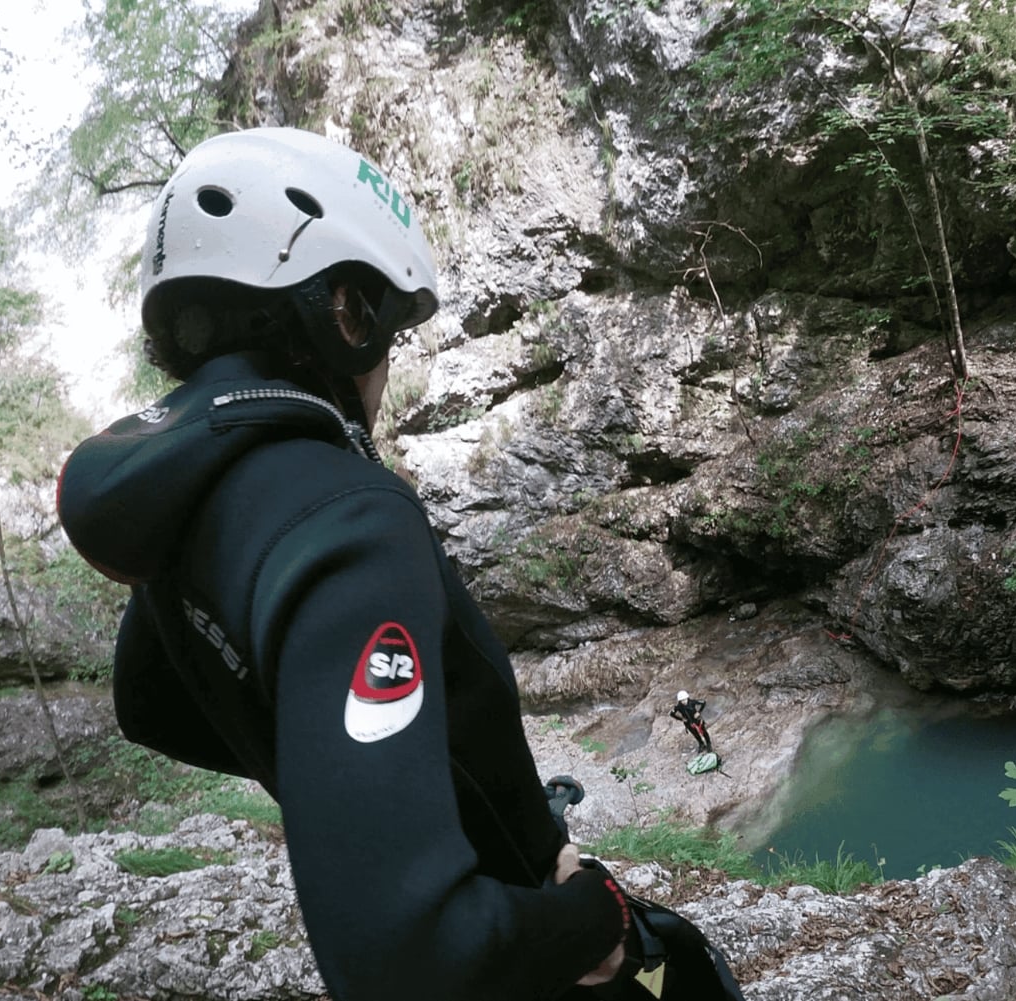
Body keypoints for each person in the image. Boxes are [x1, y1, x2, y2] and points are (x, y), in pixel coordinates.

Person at [56, 128, 631, 1000]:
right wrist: (590, 918)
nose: (387, 371)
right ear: (347, 315)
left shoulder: (195, 503)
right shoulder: (352, 520)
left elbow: (151, 703)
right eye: (388, 333)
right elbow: (405, 962)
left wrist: (350, 794)